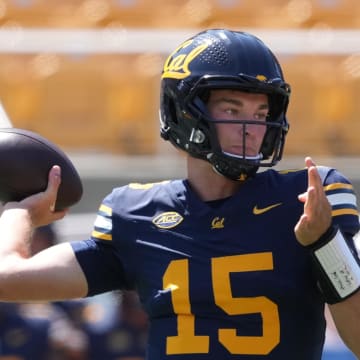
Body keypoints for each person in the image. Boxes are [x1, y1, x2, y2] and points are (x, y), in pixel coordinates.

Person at [0, 29, 359, 359]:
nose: (253, 129)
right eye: (233, 110)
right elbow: (7, 279)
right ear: (185, 113)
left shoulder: (305, 197)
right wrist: (21, 213)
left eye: (261, 112)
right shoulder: (136, 215)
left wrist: (325, 242)